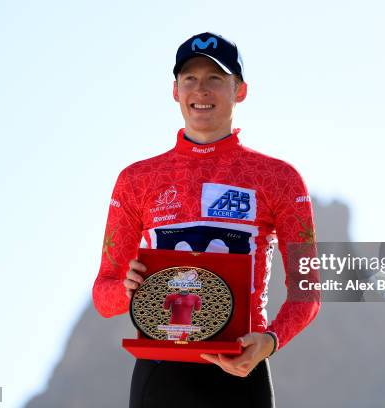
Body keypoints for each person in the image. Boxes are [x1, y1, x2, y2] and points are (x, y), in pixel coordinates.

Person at [92, 32, 320, 408]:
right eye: (190, 79)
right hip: (160, 371)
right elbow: (104, 295)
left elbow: (308, 290)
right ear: (175, 90)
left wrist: (270, 341)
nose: (202, 90)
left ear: (240, 90)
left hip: (240, 369)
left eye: (215, 78)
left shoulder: (280, 178)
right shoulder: (136, 180)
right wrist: (126, 290)